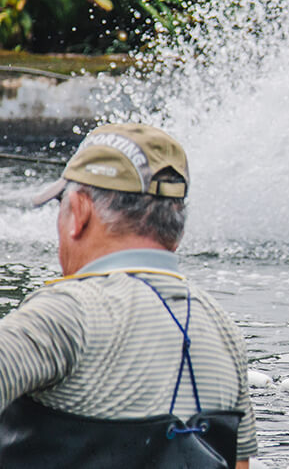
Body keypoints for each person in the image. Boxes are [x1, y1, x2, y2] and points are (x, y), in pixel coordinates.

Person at [0, 124, 257, 468]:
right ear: (175, 230)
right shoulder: (224, 331)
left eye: (61, 204)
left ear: (78, 212)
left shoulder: (65, 313)